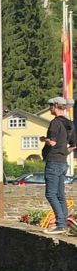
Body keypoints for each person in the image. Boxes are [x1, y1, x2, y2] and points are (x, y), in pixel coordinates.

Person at [40, 96, 76, 234]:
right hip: (63, 162)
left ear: (55, 106)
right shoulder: (70, 124)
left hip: (54, 161)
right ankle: (64, 222)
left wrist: (45, 139)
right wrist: (64, 152)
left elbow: (53, 143)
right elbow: (73, 145)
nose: (50, 108)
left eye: (50, 106)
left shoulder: (55, 123)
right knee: (60, 194)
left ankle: (60, 224)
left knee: (50, 194)